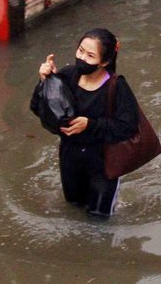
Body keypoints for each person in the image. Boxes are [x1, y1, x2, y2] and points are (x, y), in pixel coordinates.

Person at [34, 28, 139, 217]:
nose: (82, 58)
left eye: (90, 55)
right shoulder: (67, 76)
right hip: (70, 158)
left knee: (100, 218)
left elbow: (128, 127)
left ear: (104, 61)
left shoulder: (116, 87)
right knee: (73, 207)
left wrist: (89, 124)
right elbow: (38, 109)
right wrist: (47, 82)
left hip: (103, 164)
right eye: (80, 50)